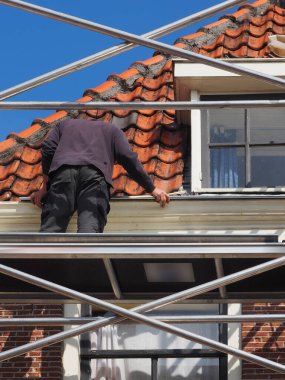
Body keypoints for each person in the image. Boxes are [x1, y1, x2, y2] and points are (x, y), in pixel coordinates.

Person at [30, 113, 170, 233]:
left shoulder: (64, 125)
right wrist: (151, 188)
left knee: (50, 231)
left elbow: (48, 148)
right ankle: (85, 262)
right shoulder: (112, 130)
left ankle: (44, 263)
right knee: (89, 229)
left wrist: (45, 187)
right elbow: (127, 157)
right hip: (94, 176)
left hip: (63, 174)